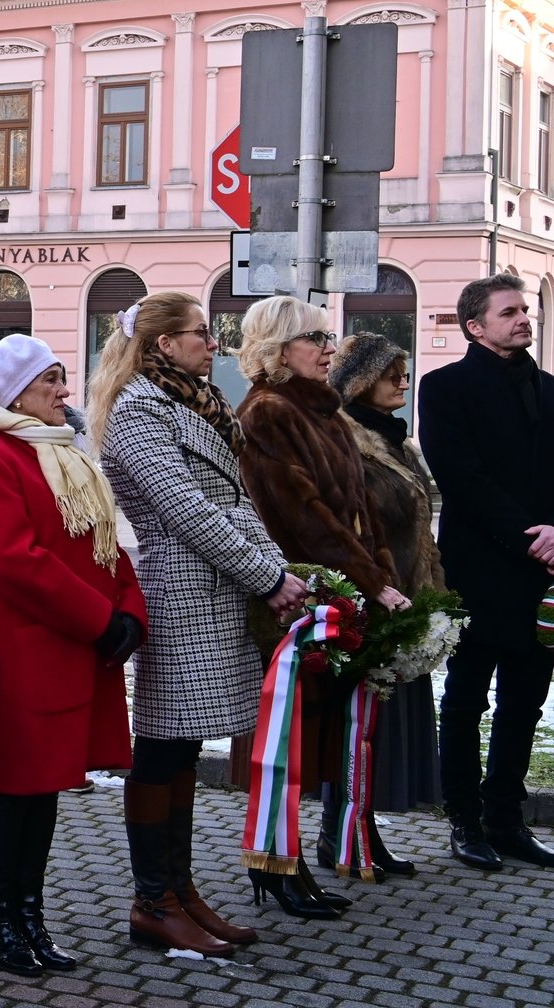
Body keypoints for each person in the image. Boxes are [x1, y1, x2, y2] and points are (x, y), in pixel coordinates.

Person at [91, 290, 302, 948]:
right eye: (201, 334)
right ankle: (154, 901)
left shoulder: (189, 404)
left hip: (212, 588)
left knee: (181, 745)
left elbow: (233, 503)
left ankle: (178, 892)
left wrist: (274, 568)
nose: (214, 344)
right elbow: (184, 509)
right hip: (180, 592)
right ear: (164, 344)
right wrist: (266, 575)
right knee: (161, 743)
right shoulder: (140, 409)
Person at [0, 336, 147, 977]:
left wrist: (130, 611)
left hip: (77, 646)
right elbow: (13, 562)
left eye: (63, 380)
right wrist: (100, 620)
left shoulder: (67, 455)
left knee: (48, 791)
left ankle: (29, 914)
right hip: (32, 651)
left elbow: (105, 542)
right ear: (15, 395)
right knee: (15, 788)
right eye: (52, 383)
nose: (65, 393)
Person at [236, 294, 405, 912]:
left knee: (321, 740)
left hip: (345, 591)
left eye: (328, 335)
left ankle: (297, 859)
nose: (330, 347)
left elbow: (361, 511)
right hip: (301, 601)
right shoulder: (269, 412)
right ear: (281, 349)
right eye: (315, 336)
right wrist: (366, 578)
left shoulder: (327, 411)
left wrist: (380, 570)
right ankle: (278, 864)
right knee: (290, 743)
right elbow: (305, 517)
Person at [420, 274, 554, 870]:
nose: (524, 318)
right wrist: (530, 534)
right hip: (478, 568)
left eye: (525, 310)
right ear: (476, 326)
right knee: (467, 698)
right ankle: (465, 821)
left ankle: (506, 818)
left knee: (526, 699)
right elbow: (460, 476)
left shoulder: (550, 388)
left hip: (544, 572)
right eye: (510, 312)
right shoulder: (444, 386)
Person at [329, 332, 444, 875]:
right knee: (362, 722)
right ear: (358, 383)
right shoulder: (345, 438)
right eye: (389, 372)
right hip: (374, 600)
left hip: (407, 598)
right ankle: (342, 831)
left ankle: (363, 826)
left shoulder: (397, 438)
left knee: (385, 724)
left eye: (403, 370)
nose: (402, 380)